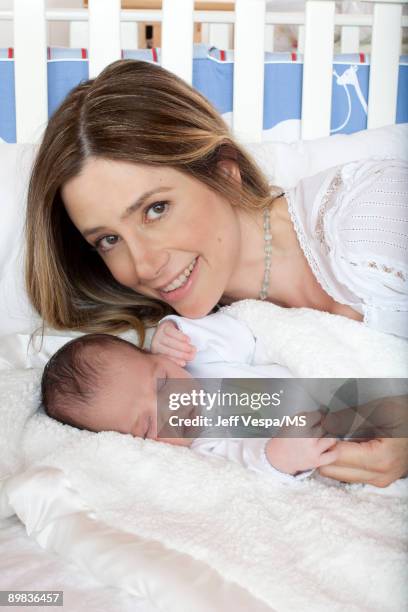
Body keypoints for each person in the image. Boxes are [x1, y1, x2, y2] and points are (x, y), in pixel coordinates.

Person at [25, 59, 408, 487]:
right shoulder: (179, 348)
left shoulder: (372, 215)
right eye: (108, 240)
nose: (144, 266)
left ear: (226, 169)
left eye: (156, 209)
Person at [40, 313, 339, 482]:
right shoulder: (203, 448)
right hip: (334, 436)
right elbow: (244, 470)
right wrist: (277, 459)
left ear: (161, 357)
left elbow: (242, 333)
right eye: (147, 425)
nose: (170, 409)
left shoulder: (203, 360)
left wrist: (178, 332)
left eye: (162, 384)